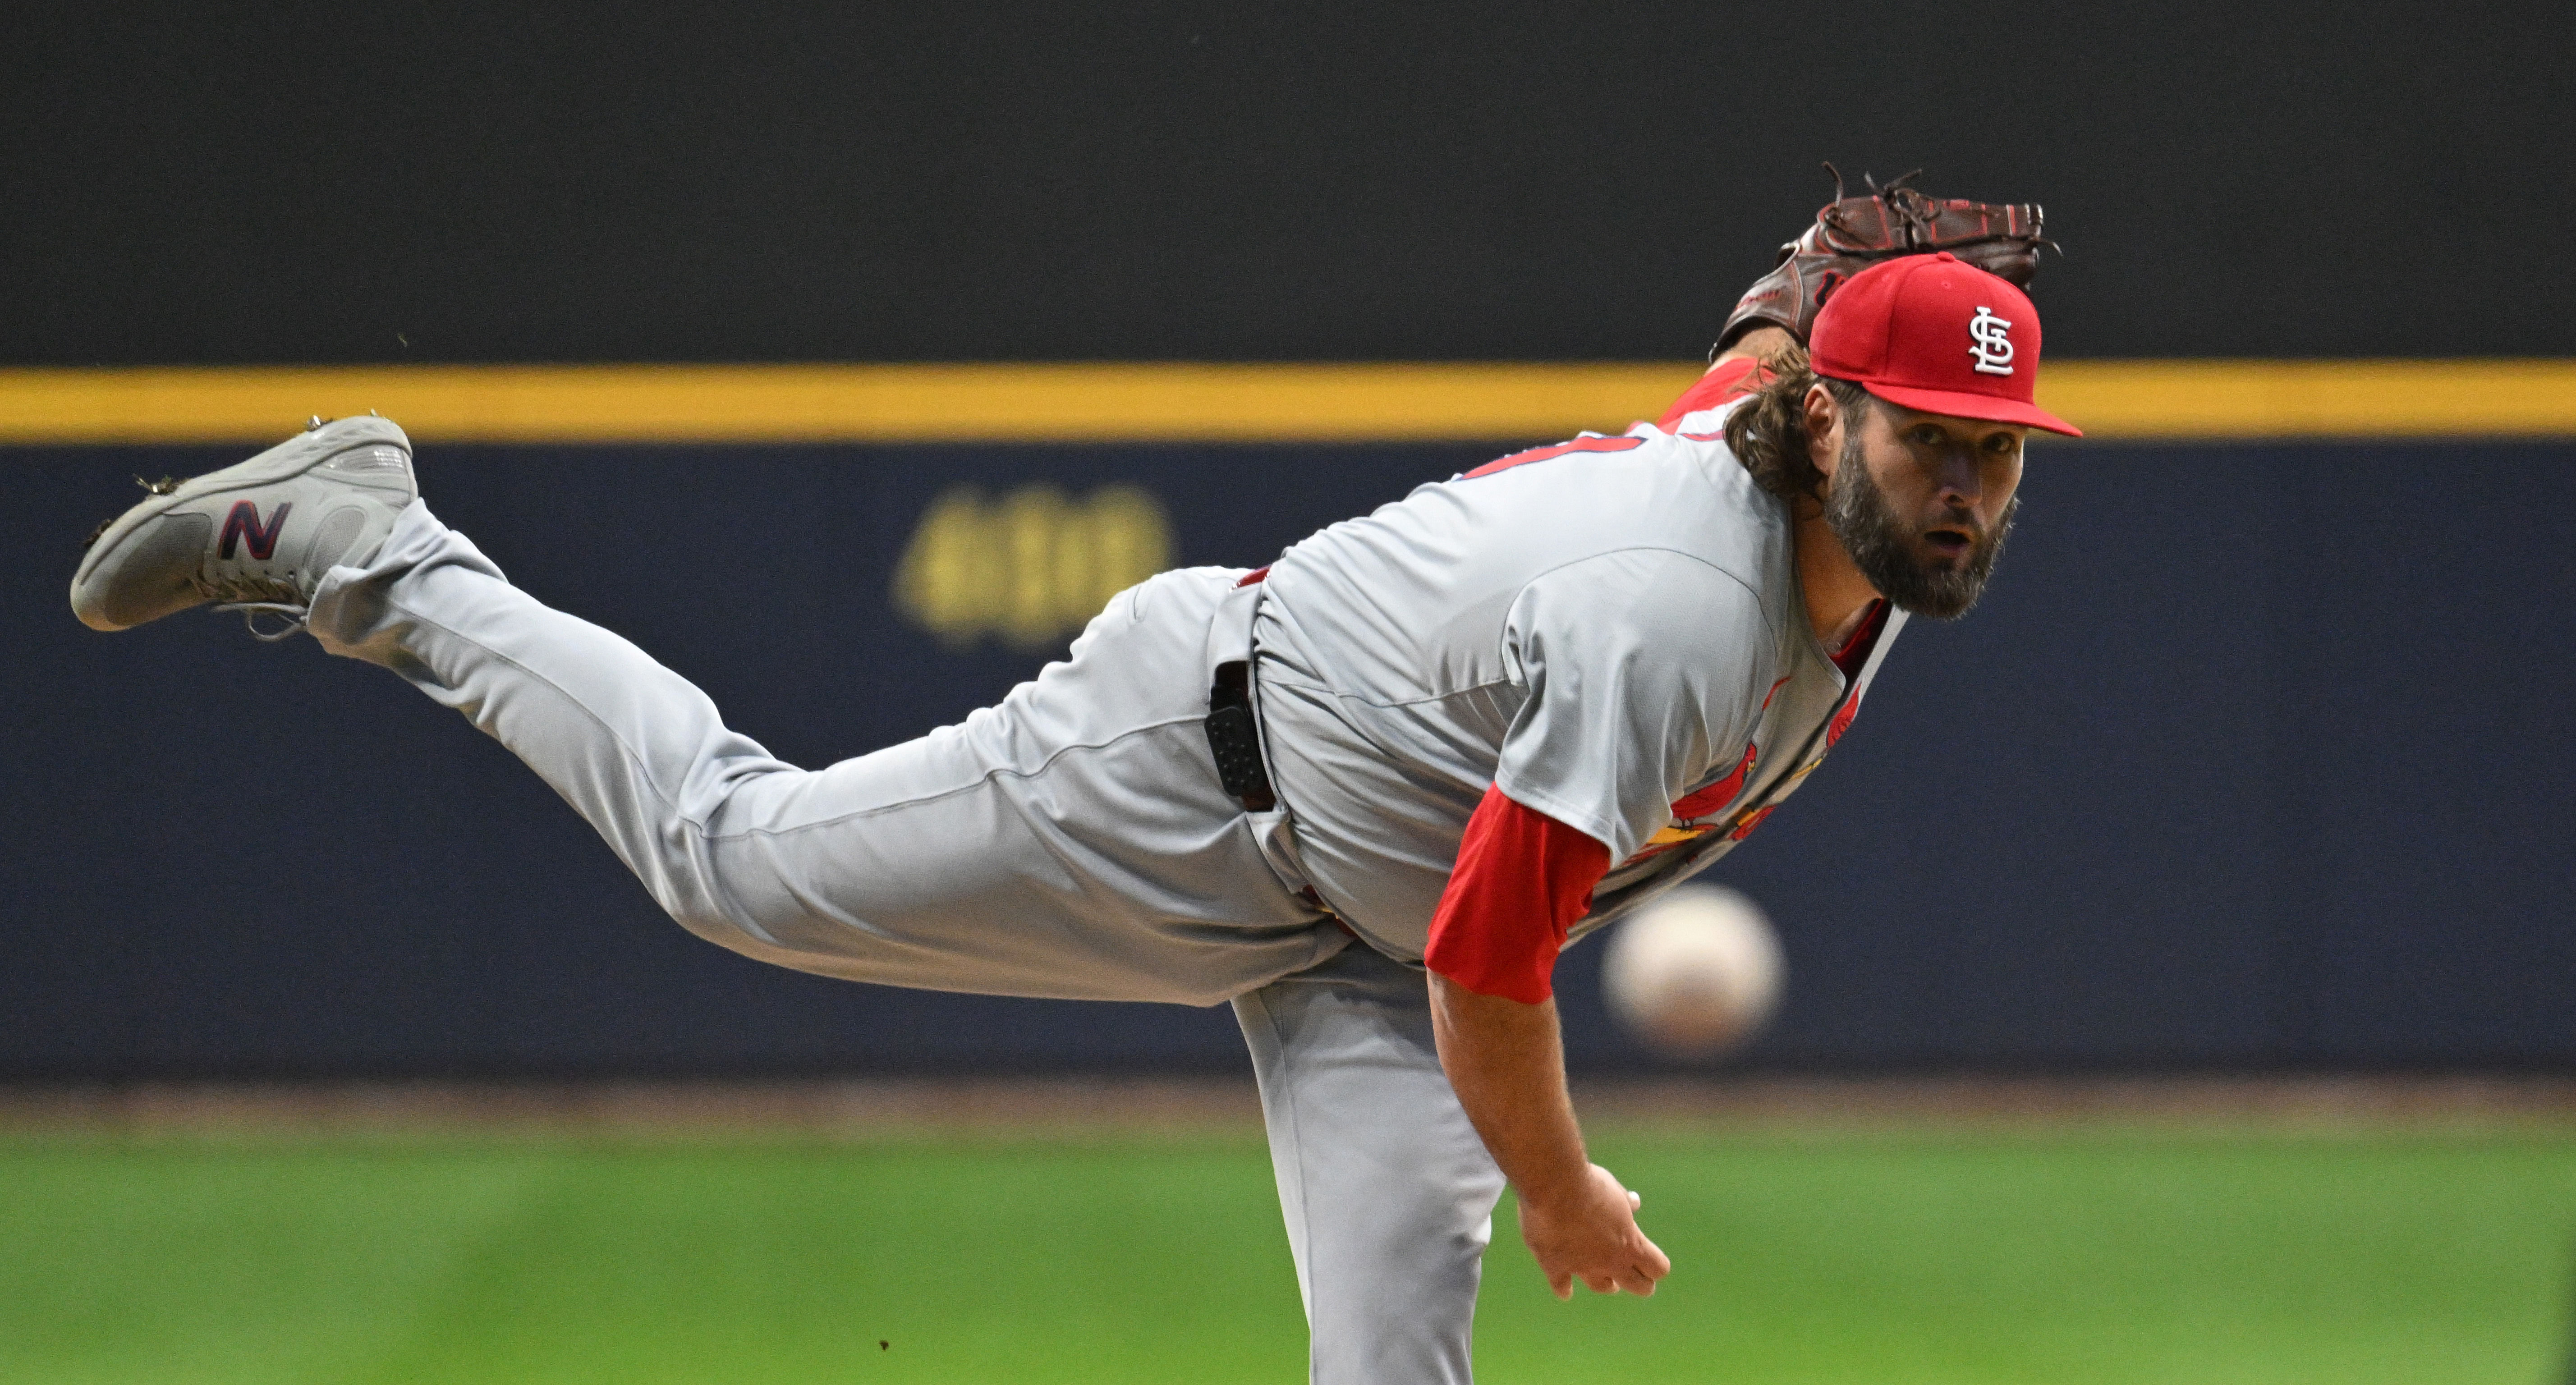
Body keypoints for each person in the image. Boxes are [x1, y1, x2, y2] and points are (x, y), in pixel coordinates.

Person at [70, 183, 2076, 1384]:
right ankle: (374, 544)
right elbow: (1491, 965)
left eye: (1998, 451)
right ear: (1831, 422)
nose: (1970, 492)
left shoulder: (1832, 505)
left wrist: (1799, 280)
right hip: (1193, 779)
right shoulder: (1670, 615)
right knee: (730, 857)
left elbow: (1744, 358)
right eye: (1932, 445)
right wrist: (1556, 1185)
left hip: (1358, 915)